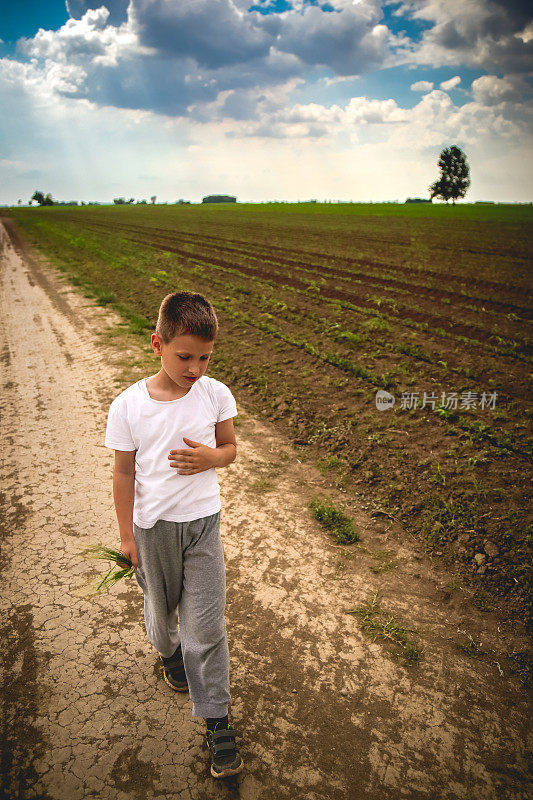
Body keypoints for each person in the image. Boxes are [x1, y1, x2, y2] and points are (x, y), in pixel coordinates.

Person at [104, 290, 244, 779]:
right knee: (163, 619)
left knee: (206, 628)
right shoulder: (128, 407)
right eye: (185, 356)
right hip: (152, 530)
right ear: (156, 344)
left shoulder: (214, 393)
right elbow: (124, 475)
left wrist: (211, 458)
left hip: (204, 524)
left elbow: (229, 448)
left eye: (205, 357)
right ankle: (168, 653)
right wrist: (126, 538)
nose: (196, 368)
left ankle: (217, 722)